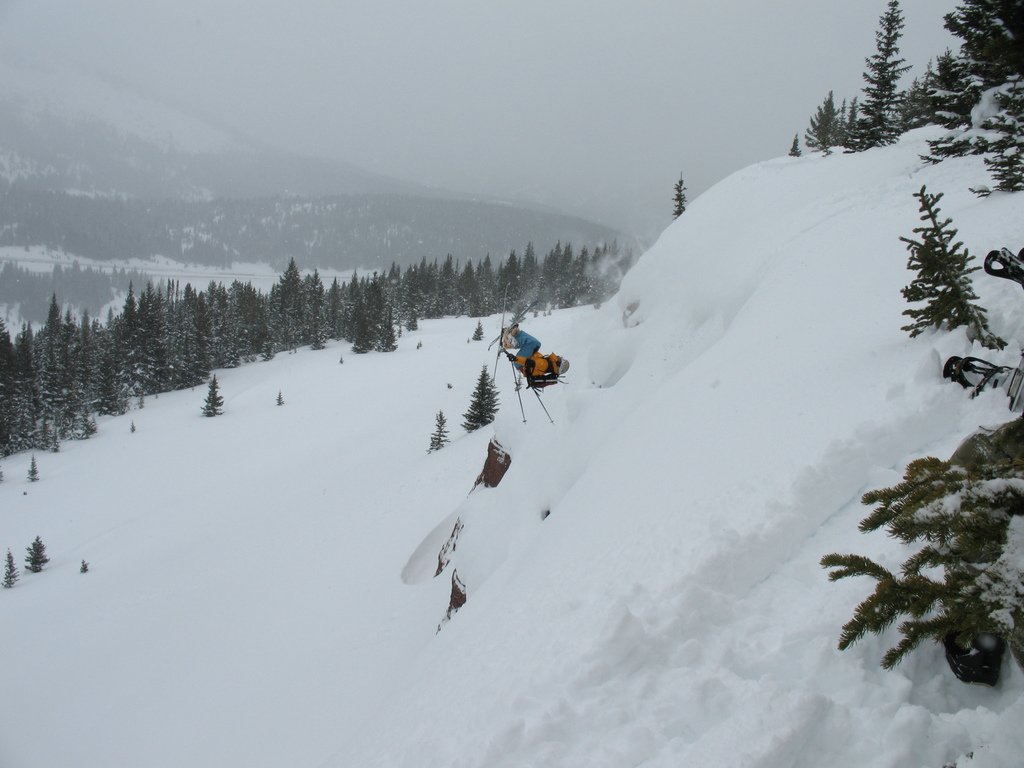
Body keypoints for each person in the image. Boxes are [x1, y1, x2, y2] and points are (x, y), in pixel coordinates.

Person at [500, 323, 568, 387]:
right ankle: (509, 339)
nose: (560, 357)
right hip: (525, 362)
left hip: (521, 363)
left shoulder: (545, 365)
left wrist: (515, 359)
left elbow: (531, 363)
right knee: (535, 344)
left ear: (559, 364)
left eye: (561, 359)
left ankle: (508, 339)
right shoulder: (549, 365)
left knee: (533, 343)